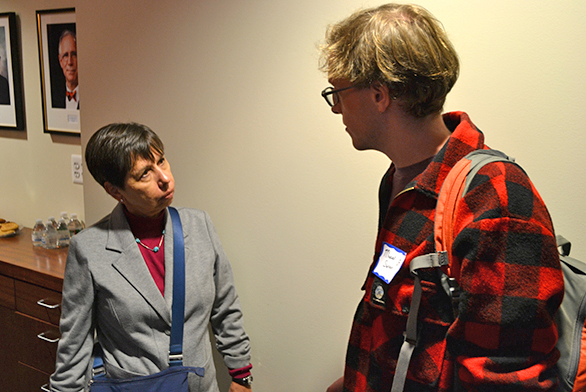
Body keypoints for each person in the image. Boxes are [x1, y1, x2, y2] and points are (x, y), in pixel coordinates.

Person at [319, 4, 563, 392]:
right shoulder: (401, 183)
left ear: (379, 95)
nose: (335, 109)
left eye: (339, 93)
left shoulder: (493, 195)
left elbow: (508, 381)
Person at [50, 123, 253, 392]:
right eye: (145, 173)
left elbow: (226, 309)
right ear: (115, 191)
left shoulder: (199, 225)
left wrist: (241, 376)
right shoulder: (88, 249)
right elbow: (74, 344)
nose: (164, 178)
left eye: (161, 161)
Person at [52, 30, 78, 109]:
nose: (70, 62)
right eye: (66, 55)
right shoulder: (55, 97)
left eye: (74, 55)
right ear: (60, 61)